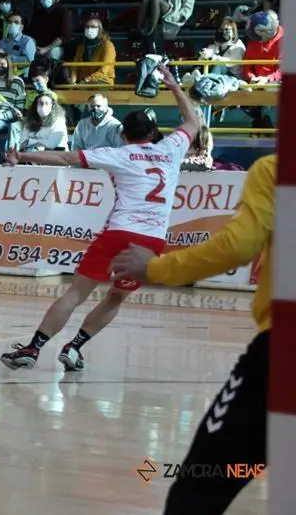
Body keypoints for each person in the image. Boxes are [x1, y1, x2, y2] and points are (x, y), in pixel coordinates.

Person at [0, 63, 200, 371]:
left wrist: (22, 155)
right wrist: (173, 86)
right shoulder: (171, 149)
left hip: (119, 233)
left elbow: (65, 157)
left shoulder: (117, 154)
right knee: (116, 297)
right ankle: (74, 347)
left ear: (123, 135)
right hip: (151, 241)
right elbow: (193, 121)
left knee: (75, 294)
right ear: (153, 133)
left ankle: (33, 349)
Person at [109, 155, 274, 515]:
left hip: (282, 351)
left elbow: (239, 246)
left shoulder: (276, 170)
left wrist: (156, 268)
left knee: (201, 483)